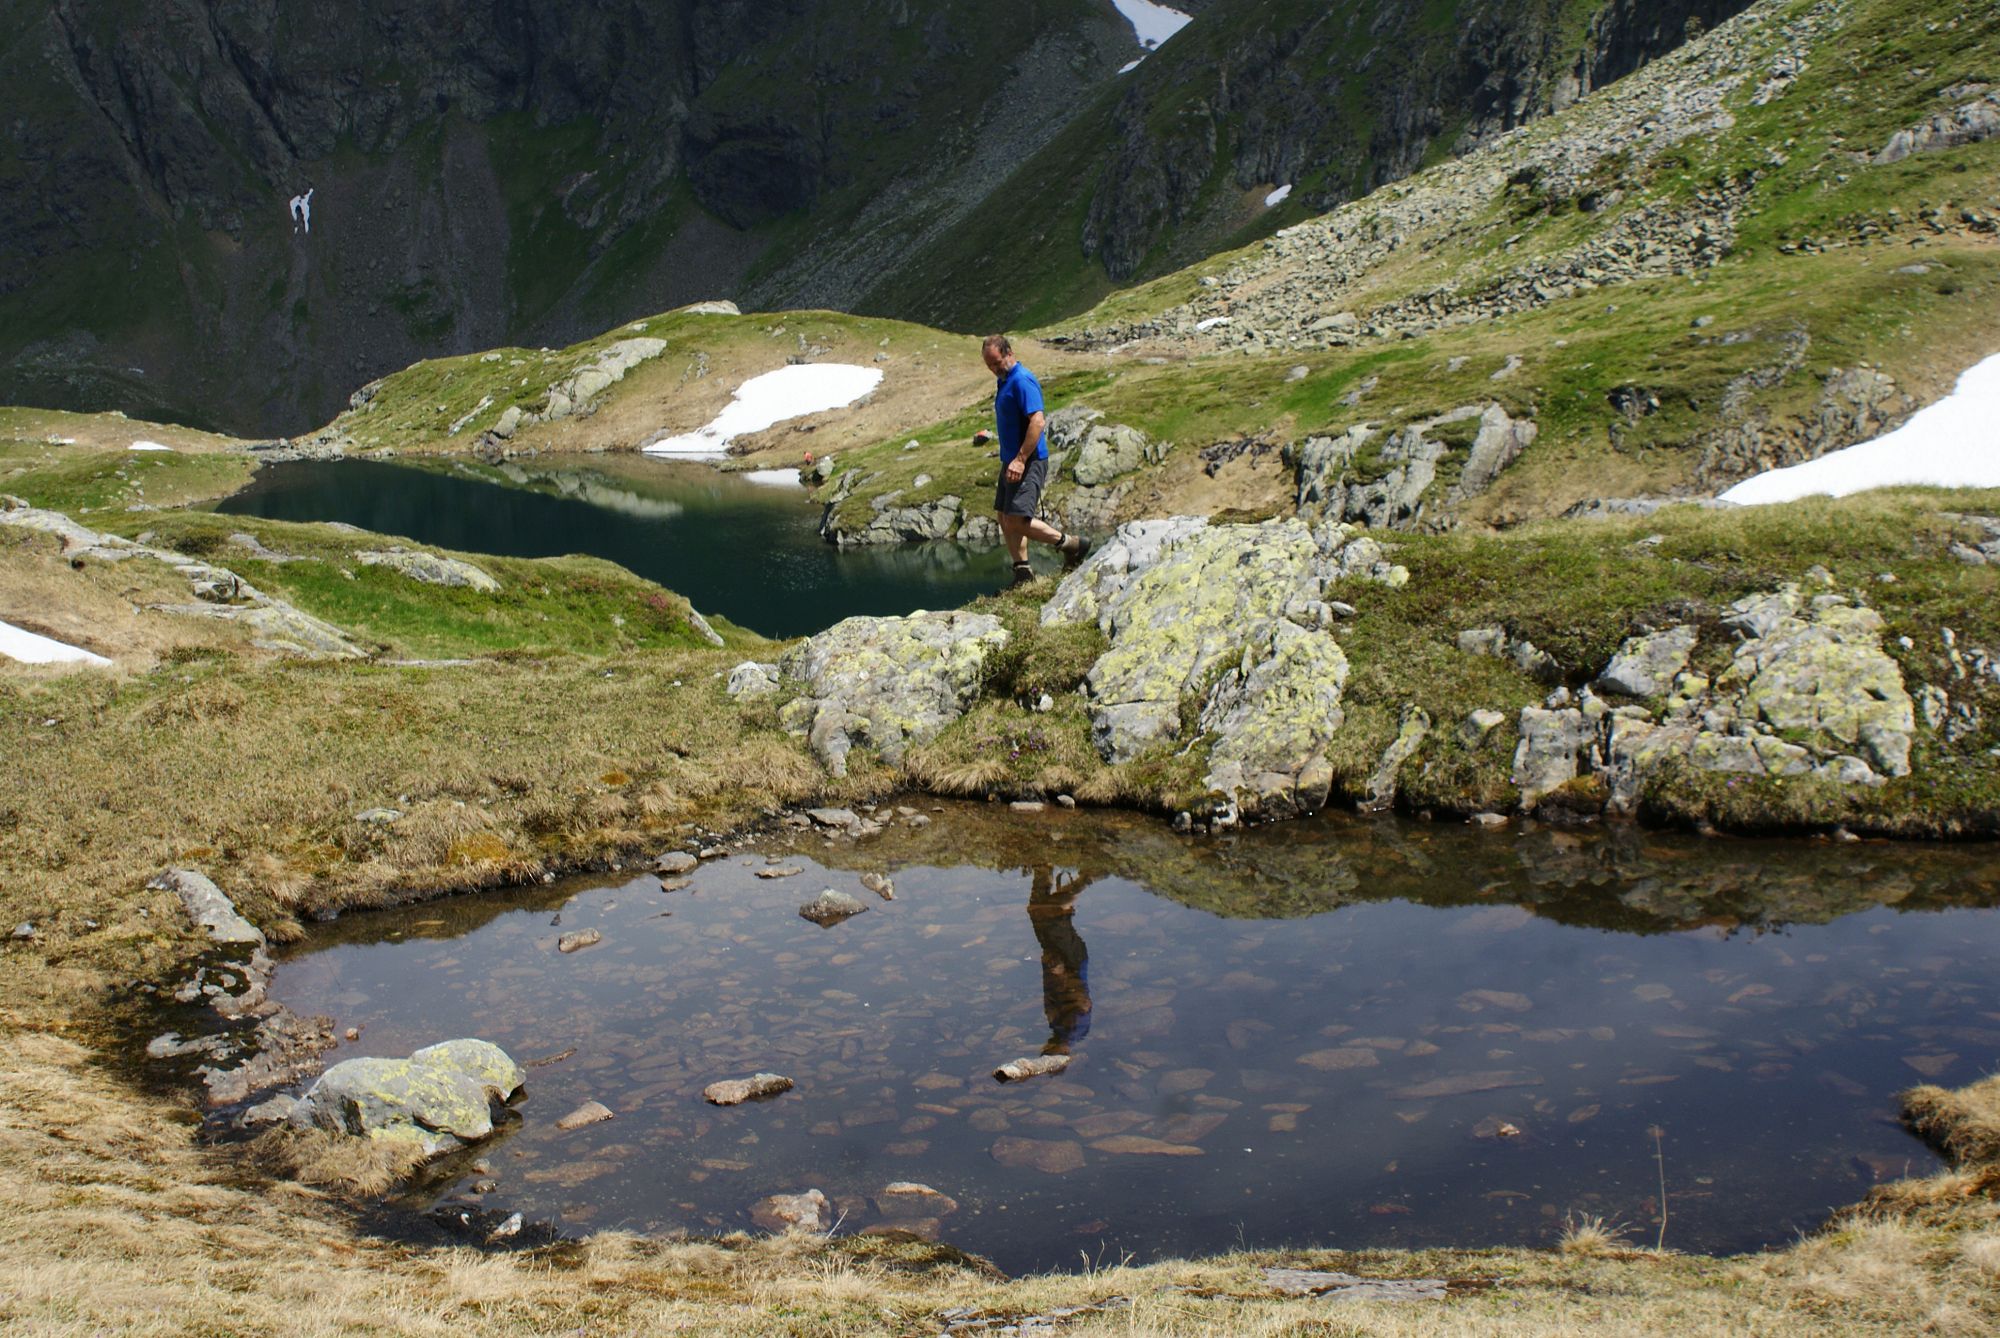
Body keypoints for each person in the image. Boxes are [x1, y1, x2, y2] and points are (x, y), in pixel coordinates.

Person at [976, 334, 1089, 590]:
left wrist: (1020, 459)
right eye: (989, 365)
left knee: (1017, 520)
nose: (993, 369)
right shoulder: (1004, 380)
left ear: (1009, 353)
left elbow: (1037, 421)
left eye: (996, 362)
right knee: (1004, 516)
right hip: (1011, 461)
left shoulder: (1022, 380)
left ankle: (1072, 545)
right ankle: (1022, 573)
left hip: (1028, 461)